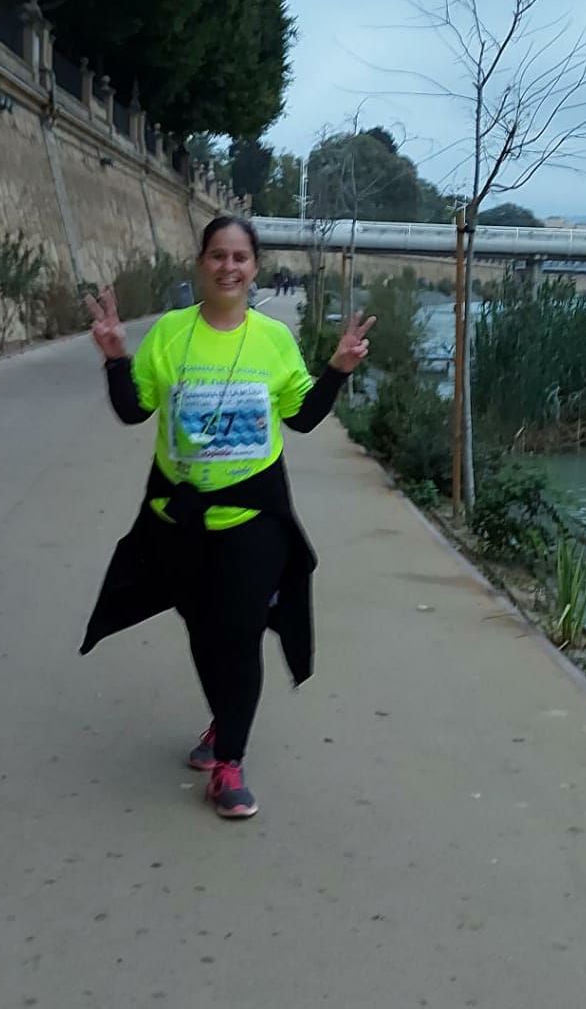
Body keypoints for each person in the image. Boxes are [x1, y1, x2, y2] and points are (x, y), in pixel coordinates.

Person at [79, 214, 375, 820]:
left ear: (255, 267)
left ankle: (230, 762)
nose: (229, 267)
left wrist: (338, 369)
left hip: (253, 520)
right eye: (218, 255)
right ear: (201, 263)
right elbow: (135, 412)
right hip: (180, 521)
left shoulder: (272, 339)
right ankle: (224, 719)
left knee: (239, 634)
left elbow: (302, 417)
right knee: (203, 631)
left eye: (240, 257)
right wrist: (114, 358)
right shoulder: (170, 333)